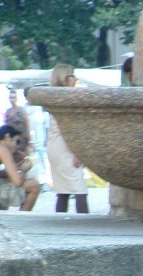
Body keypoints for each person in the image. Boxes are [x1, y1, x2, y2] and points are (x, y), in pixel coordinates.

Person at [47, 64, 89, 213]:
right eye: (72, 75)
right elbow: (70, 130)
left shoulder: (54, 97)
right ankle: (85, 224)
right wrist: (78, 152)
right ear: (65, 79)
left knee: (63, 190)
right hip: (65, 146)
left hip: (54, 145)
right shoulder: (67, 98)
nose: (75, 78)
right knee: (79, 189)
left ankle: (60, 220)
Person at [4, 89, 31, 166]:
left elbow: (27, 124)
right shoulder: (8, 111)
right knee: (12, 158)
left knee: (22, 157)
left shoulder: (21, 110)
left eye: (13, 97)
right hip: (11, 139)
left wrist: (28, 139)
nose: (12, 99)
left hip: (21, 138)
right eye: (10, 97)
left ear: (16, 98)